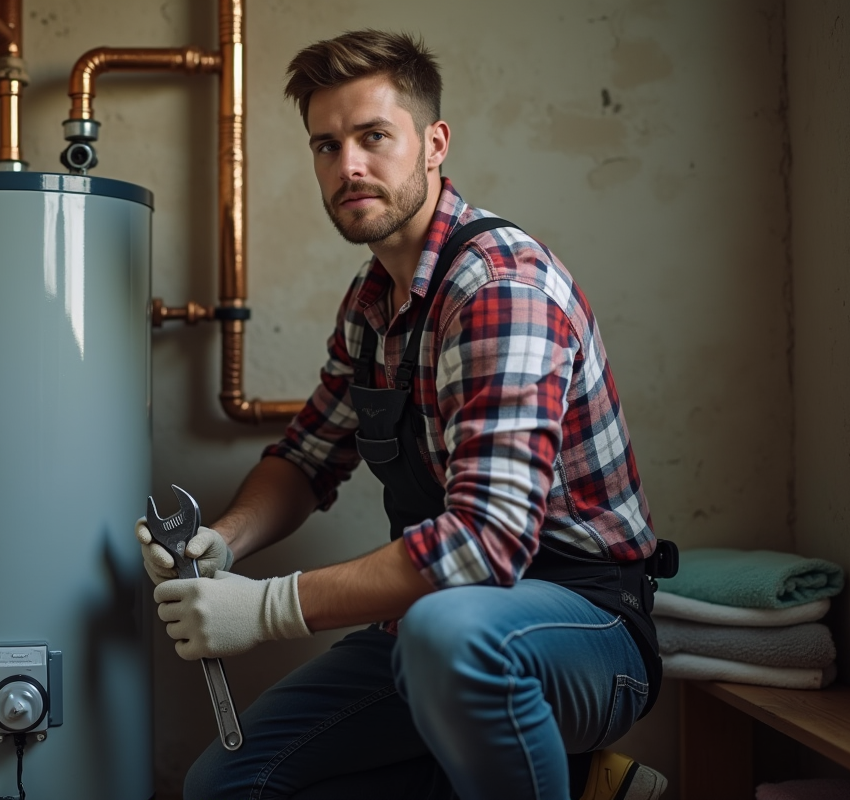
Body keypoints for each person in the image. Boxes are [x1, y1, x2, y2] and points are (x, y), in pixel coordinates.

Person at [137, 30, 670, 800]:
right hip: (433, 624)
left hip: (585, 627)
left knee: (448, 635)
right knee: (229, 784)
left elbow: (487, 547)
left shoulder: (500, 288)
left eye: (372, 136)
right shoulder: (370, 304)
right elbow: (308, 456)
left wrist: (266, 607)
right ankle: (587, 787)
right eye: (326, 145)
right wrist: (223, 541)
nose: (347, 165)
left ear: (433, 143)